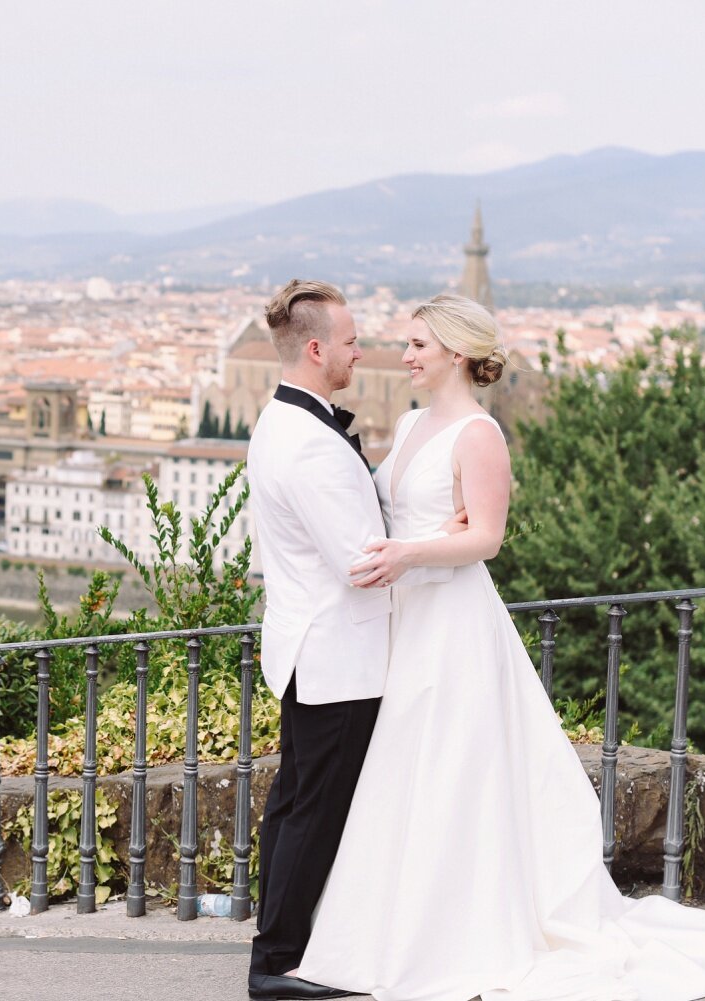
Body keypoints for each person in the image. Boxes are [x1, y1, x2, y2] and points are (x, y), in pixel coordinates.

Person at [293, 294, 705, 1001]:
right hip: (408, 617)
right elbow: (396, 508)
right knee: (407, 772)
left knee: (454, 772)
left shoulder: (479, 433)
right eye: (406, 343)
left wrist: (415, 551)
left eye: (418, 344)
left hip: (452, 621)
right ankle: (392, 930)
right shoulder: (408, 424)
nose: (404, 355)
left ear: (456, 353)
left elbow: (485, 538)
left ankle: (452, 934)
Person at [243, 279, 400, 1001]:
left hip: (311, 647)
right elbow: (360, 562)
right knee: (315, 809)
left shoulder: (283, 423)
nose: (358, 350)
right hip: (340, 655)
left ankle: (279, 948)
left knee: (294, 804)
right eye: (348, 340)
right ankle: (277, 962)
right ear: (315, 348)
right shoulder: (308, 444)